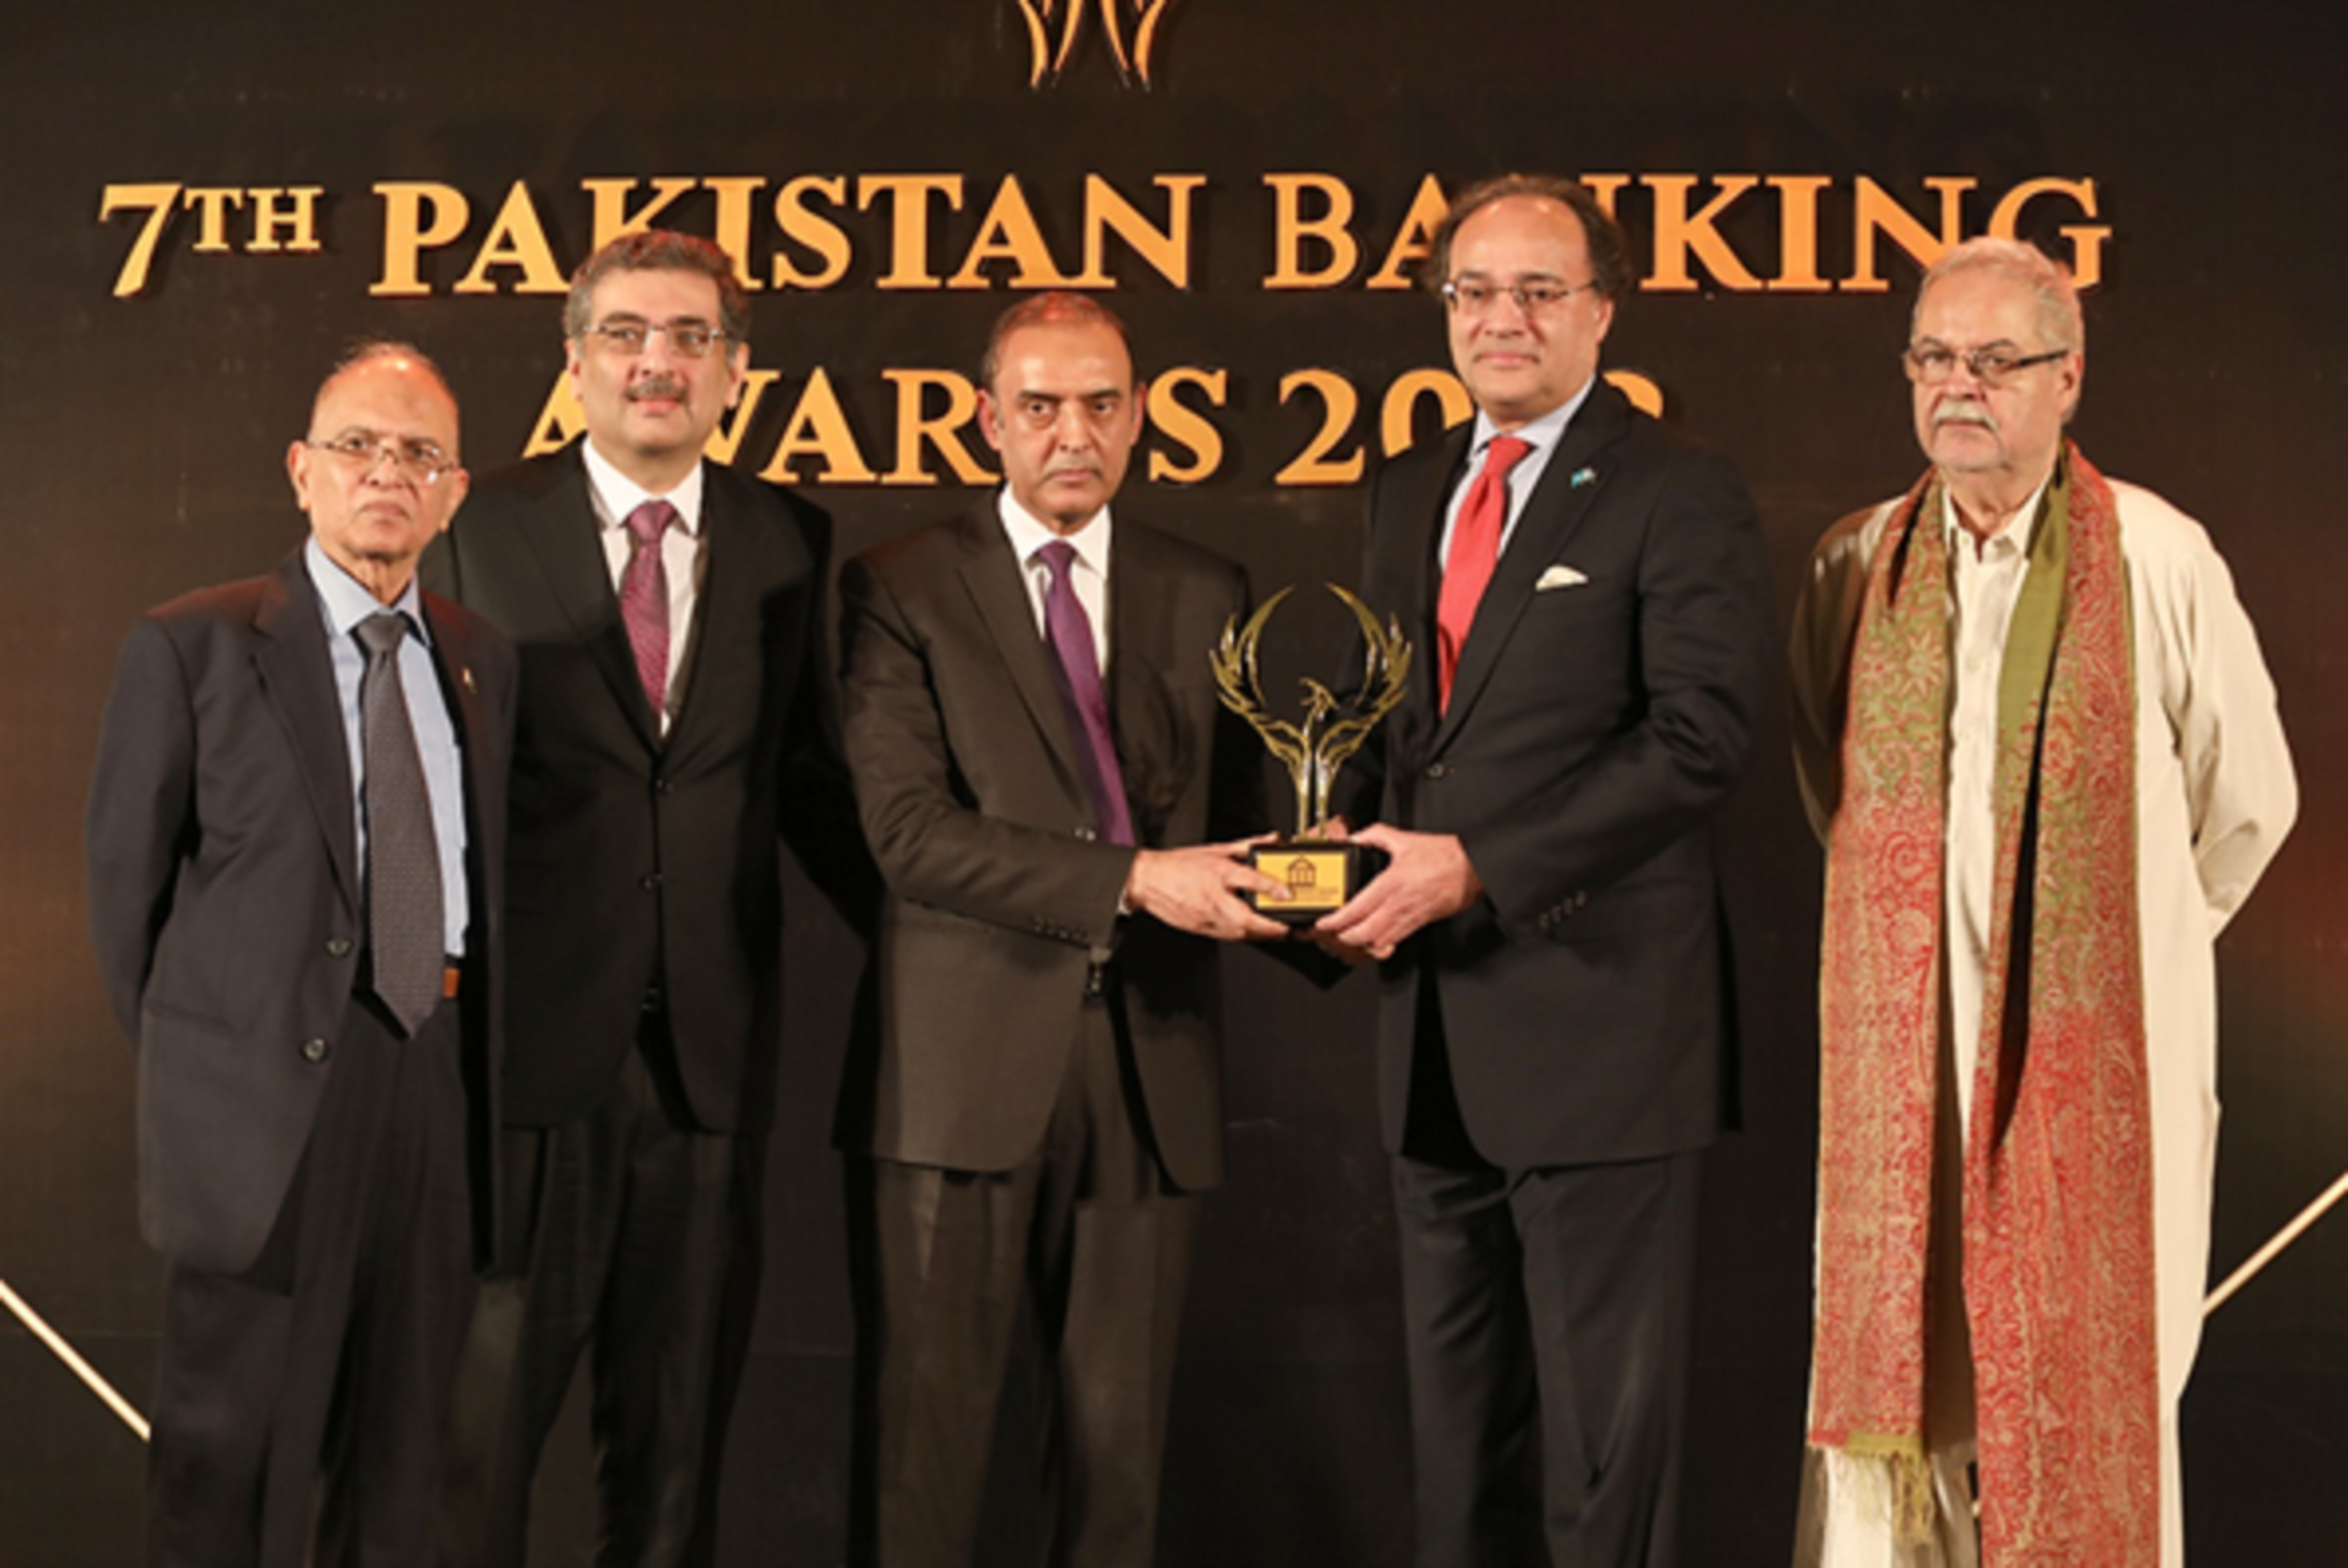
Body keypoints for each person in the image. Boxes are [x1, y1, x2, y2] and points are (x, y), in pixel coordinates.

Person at [1788, 236, 2295, 1567]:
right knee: (1917, 1372)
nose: (1961, 388)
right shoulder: (1857, 566)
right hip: (1909, 1055)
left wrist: (2133, 954)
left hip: (2092, 1059)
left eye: (1996, 361)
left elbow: (2249, 803)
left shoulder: (2159, 557)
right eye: (1935, 359)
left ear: (2068, 379)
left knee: (2078, 1374)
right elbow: (1820, 777)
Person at [1316, 174, 1772, 1566]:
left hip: (1602, 1035)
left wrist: (1479, 868)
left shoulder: (1676, 490)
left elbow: (1703, 739)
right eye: (1473, 291)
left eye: (1536, 291)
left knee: (1599, 1465)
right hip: (1431, 1039)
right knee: (1459, 1461)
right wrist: (1329, 844)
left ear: (1602, 312)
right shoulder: (1404, 486)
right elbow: (1394, 727)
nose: (1500, 319)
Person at [423, 229, 866, 1566]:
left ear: (737, 370)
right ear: (574, 361)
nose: (656, 362)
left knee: (672, 1473)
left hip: (711, 1070)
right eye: (625, 333)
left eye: (690, 337)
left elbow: (808, 784)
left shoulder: (793, 538)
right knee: (472, 1459)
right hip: (520, 1070)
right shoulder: (473, 523)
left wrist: (977, 931)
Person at [834, 290, 1287, 1567]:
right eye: (1039, 405)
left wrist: (1343, 902)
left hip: (1152, 1071)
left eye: (1101, 403)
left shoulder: (1208, 588)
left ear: (1141, 416)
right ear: (990, 420)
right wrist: (1137, 881)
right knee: (921, 1476)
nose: (1071, 432)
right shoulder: (901, 588)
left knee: (1117, 1486)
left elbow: (1249, 824)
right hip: (958, 1081)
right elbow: (907, 836)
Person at [86, 343, 514, 1566]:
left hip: (431, 1076)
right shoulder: (195, 647)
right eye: (357, 446)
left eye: (418, 453)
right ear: (301, 471)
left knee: (405, 1466)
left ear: (454, 490)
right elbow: (128, 904)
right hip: (265, 1110)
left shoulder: (484, 657)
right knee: (231, 1473)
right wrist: (223, 1070)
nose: (387, 471)